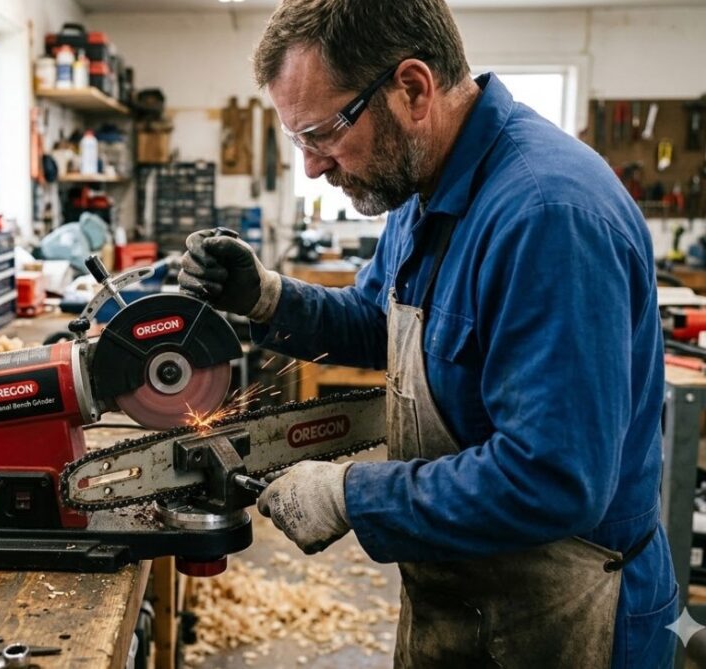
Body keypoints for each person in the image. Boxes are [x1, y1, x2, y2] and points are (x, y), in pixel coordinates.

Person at [178, 1, 678, 666]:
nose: (314, 169)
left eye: (322, 134)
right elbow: (380, 324)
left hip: (564, 618)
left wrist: (352, 492)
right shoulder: (423, 185)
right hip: (471, 596)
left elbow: (553, 478)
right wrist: (267, 298)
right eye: (301, 141)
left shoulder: (549, 215)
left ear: (412, 89)